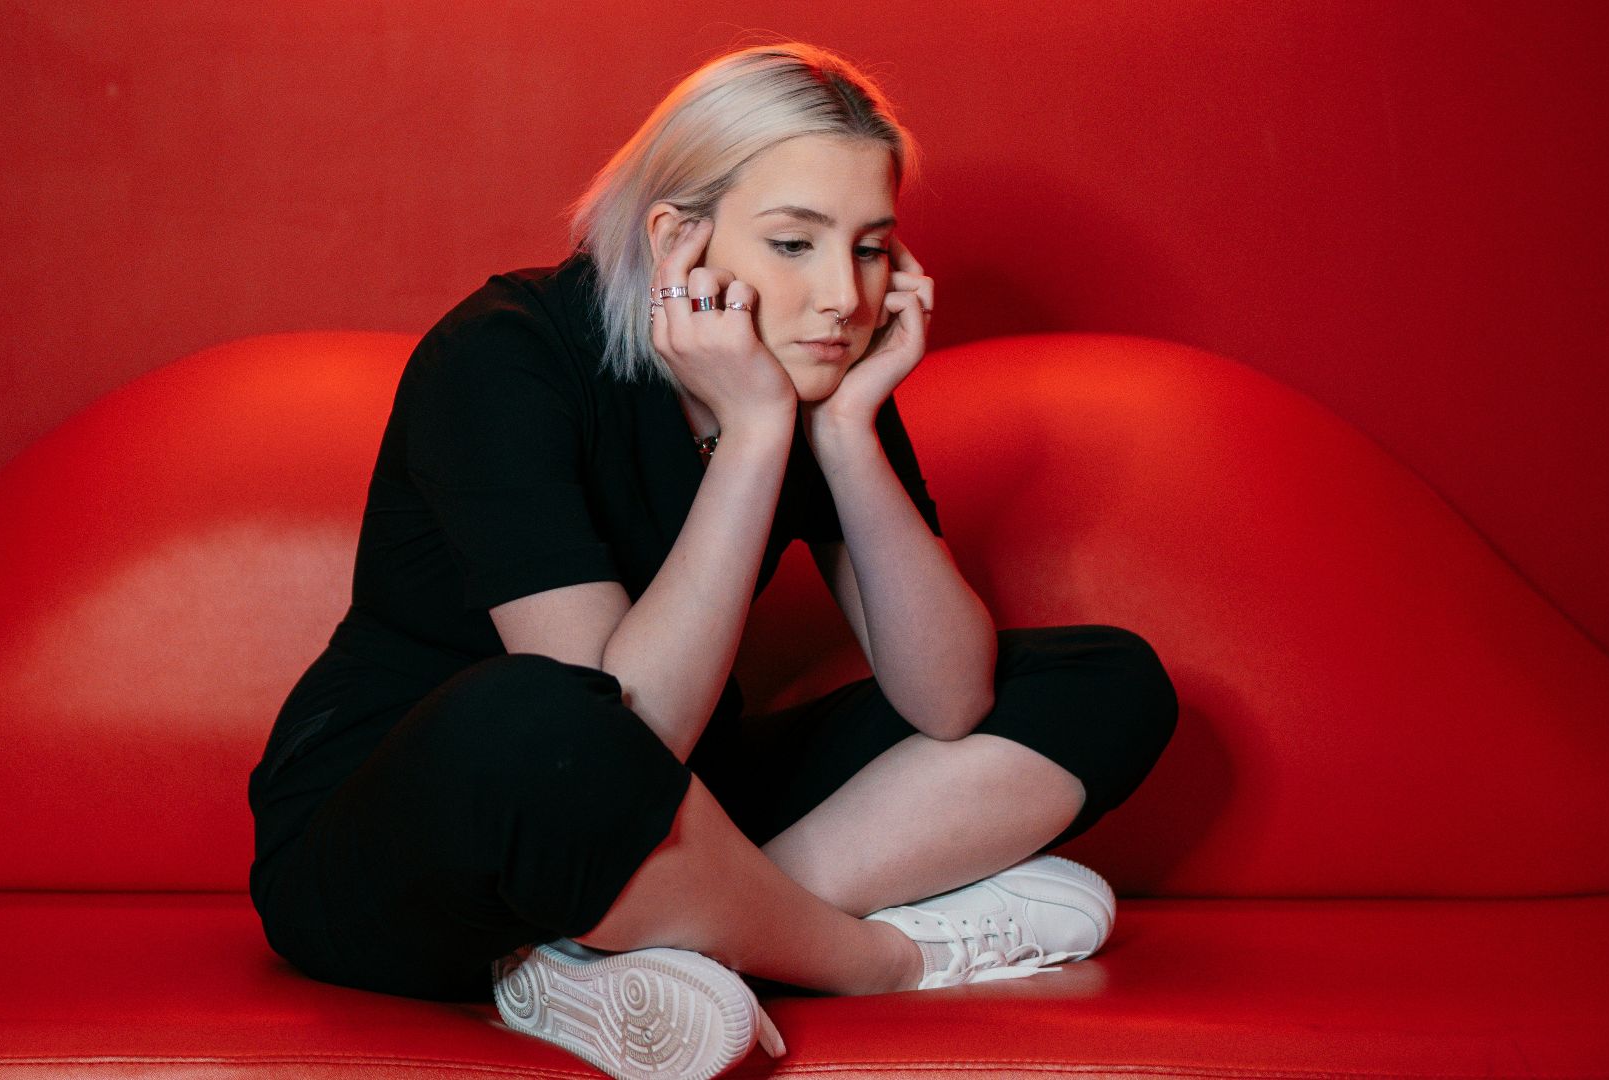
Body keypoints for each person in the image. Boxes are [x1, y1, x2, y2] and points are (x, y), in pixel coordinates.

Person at [246, 40, 1179, 1080]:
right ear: (676, 241)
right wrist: (754, 435)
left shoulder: (819, 366)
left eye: (872, 249)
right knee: (537, 717)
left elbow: (950, 700)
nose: (844, 297)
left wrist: (845, 434)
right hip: (417, 825)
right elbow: (620, 727)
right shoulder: (500, 357)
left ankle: (640, 946)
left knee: (1108, 682)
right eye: (794, 243)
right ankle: (865, 958)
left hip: (669, 804)